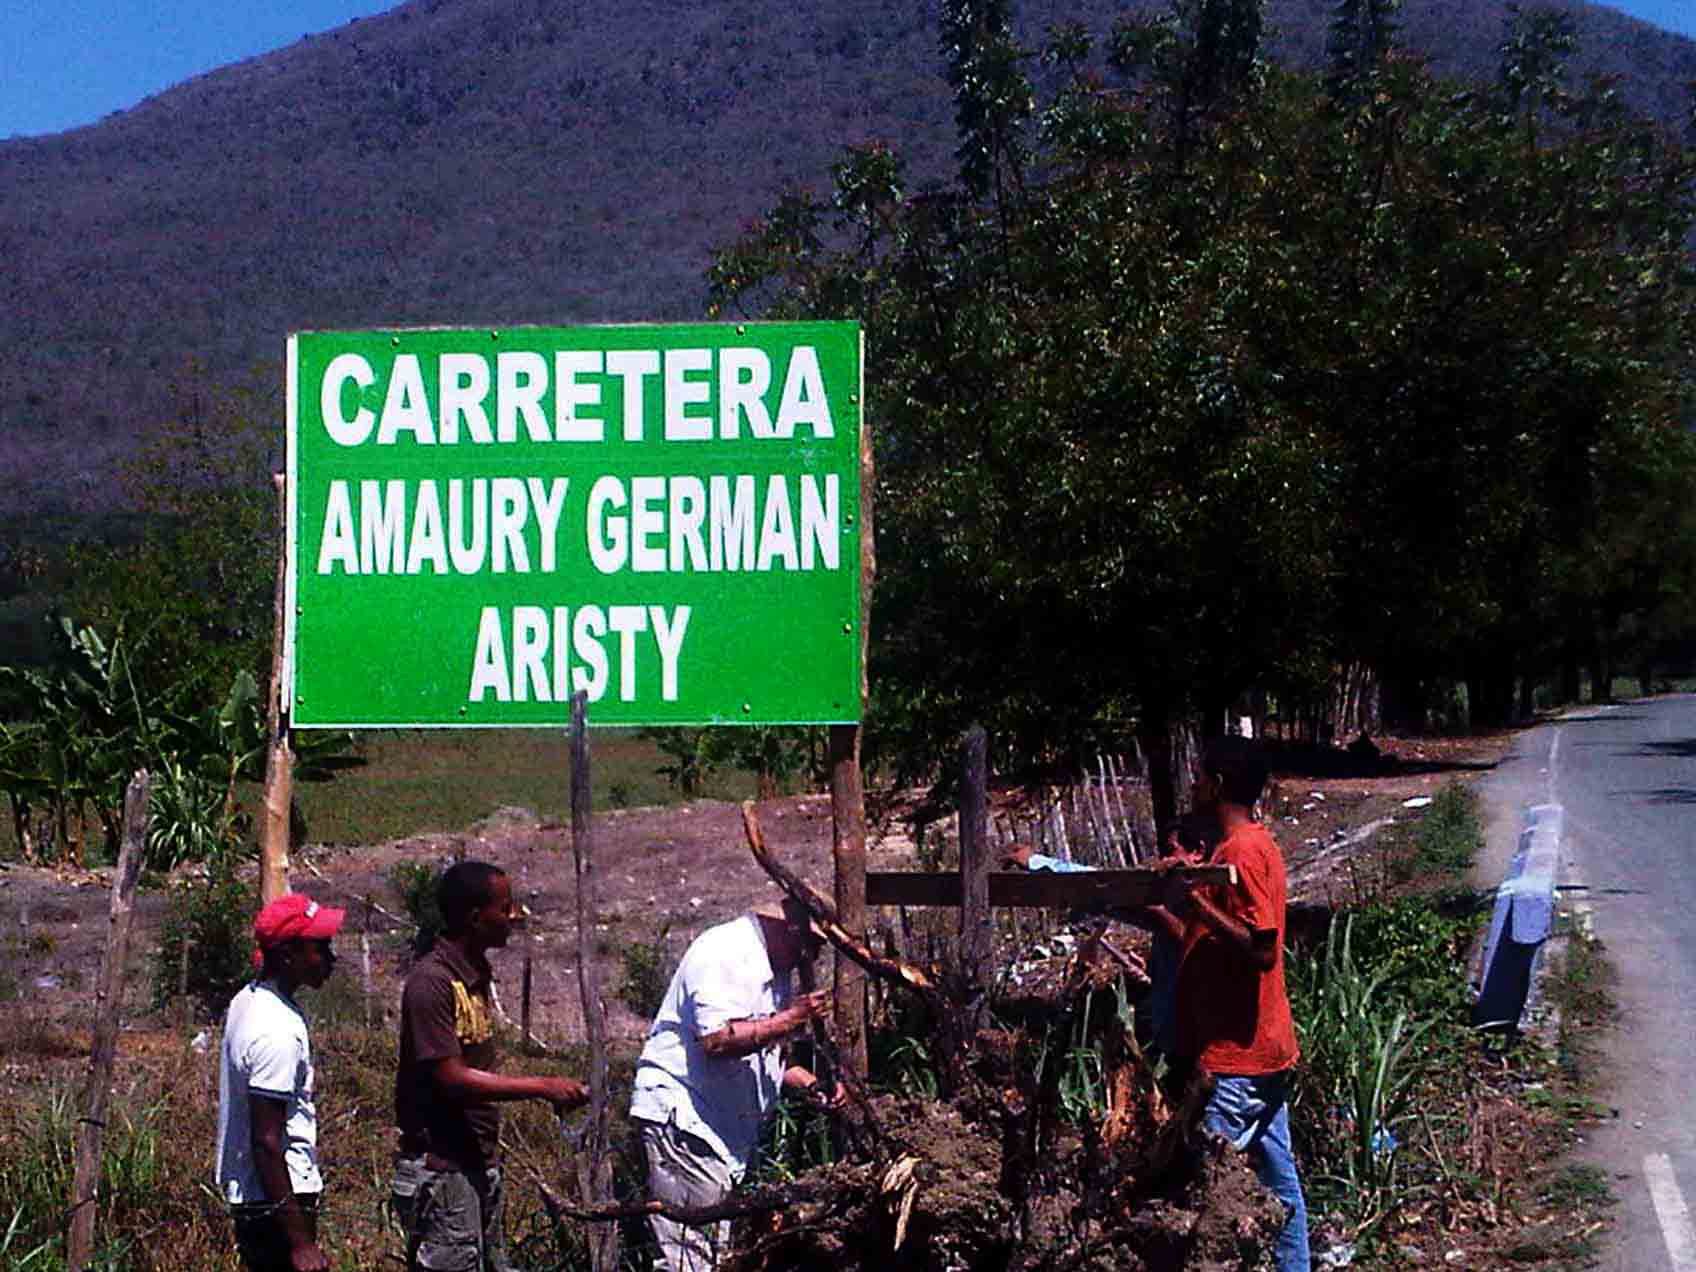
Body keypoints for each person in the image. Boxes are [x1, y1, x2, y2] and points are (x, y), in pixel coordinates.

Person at [1156, 735, 1309, 1272]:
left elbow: (1260, 949)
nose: (1193, 785)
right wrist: (1173, 903)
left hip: (1236, 1057)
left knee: (1208, 1194)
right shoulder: (1244, 847)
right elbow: (1210, 941)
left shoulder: (1242, 850)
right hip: (1261, 1046)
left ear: (1217, 785)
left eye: (1200, 777)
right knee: (1278, 1180)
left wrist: (1196, 897)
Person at [391, 861, 588, 1272]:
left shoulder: (474, 974)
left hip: (475, 1163)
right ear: (475, 918)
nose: (514, 916)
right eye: (505, 907)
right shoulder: (431, 984)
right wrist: (542, 1086)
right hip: (442, 1170)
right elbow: (451, 1078)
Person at [628, 897, 839, 1272]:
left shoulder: (775, 970)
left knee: (706, 1253)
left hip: (719, 1130)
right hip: (687, 1120)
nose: (815, 956)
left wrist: (810, 1084)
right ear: (789, 930)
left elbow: (764, 1051)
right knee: (688, 1260)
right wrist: (792, 1019)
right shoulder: (725, 952)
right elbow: (717, 1040)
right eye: (813, 944)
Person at [214, 892, 346, 1272]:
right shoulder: (277, 1032)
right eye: (319, 948)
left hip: (262, 1197)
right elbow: (267, 1141)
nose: (330, 958)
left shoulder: (248, 1000)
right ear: (288, 955)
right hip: (278, 1200)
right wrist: (301, 1242)